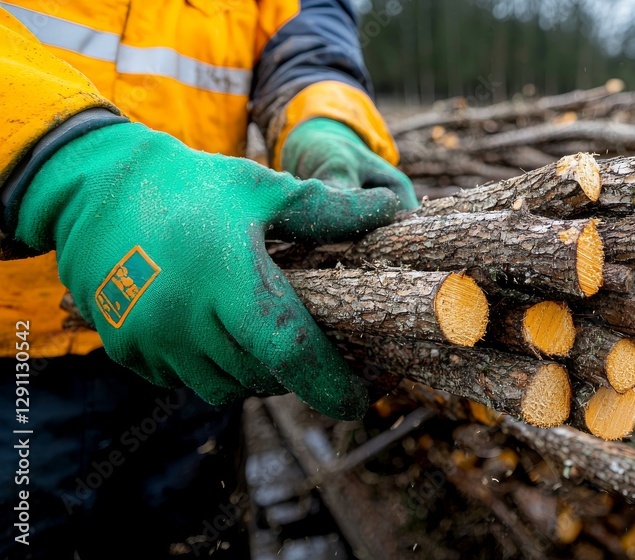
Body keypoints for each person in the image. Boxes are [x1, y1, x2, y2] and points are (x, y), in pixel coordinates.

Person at [0, 1, 416, 557]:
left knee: (195, 537)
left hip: (197, 328)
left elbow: (305, 29)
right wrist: (61, 162)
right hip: (18, 354)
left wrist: (326, 120)